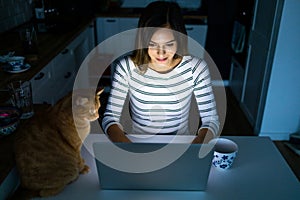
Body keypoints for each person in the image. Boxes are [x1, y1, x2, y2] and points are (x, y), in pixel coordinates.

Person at [101, 1, 219, 143]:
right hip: (139, 144)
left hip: (180, 144)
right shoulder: (126, 67)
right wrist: (129, 148)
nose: (161, 53)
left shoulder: (196, 68)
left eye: (169, 44)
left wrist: (196, 147)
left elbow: (211, 120)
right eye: (152, 44)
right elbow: (110, 118)